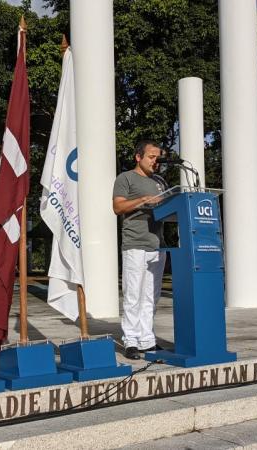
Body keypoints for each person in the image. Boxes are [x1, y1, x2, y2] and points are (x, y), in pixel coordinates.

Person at [112, 140, 168, 360]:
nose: (156, 161)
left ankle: (147, 339)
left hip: (158, 244)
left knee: (151, 297)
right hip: (135, 244)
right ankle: (131, 341)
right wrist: (143, 200)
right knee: (133, 295)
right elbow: (117, 207)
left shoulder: (160, 181)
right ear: (138, 157)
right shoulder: (125, 178)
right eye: (152, 157)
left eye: (158, 157)